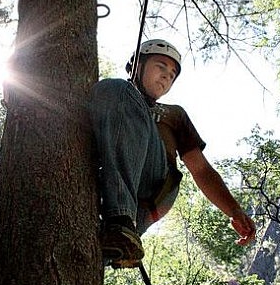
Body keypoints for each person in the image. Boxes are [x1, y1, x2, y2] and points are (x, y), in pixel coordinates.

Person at [89, 39, 256, 268]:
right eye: (160, 66)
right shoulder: (112, 98)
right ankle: (117, 240)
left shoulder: (173, 114)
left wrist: (234, 210)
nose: (167, 76)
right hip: (110, 185)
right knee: (111, 89)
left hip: (152, 187)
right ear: (137, 65)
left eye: (172, 73)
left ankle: (121, 220)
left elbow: (201, 170)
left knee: (117, 88)